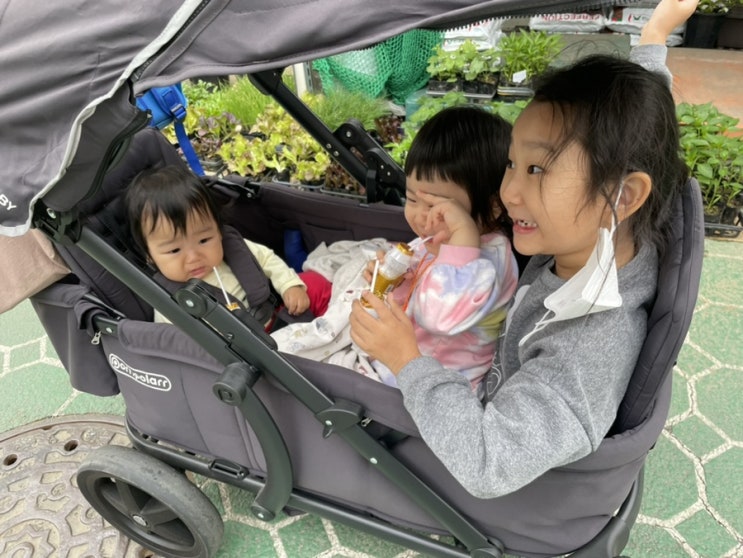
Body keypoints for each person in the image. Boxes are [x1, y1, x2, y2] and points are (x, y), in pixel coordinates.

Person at [349, 0, 696, 498]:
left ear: (623, 196)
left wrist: (406, 360)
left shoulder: (587, 347)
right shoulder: (605, 231)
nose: (509, 192)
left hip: (473, 429)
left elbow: (488, 464)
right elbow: (648, 118)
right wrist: (655, 34)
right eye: (511, 164)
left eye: (537, 169)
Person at [272, 106, 520, 390]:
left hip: (429, 388)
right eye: (412, 200)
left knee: (307, 382)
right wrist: (395, 280)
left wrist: (462, 240)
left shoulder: (487, 262)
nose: (420, 216)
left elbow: (438, 317)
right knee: (297, 361)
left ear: (493, 206)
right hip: (394, 362)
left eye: (437, 207)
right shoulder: (436, 239)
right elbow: (417, 291)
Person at [125, 164, 318, 325]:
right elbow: (178, 345)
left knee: (316, 282)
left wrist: (289, 286)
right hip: (249, 352)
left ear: (218, 230)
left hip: (277, 314)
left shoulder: (232, 247)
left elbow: (267, 259)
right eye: (174, 250)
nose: (194, 257)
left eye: (204, 240)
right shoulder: (169, 304)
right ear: (150, 256)